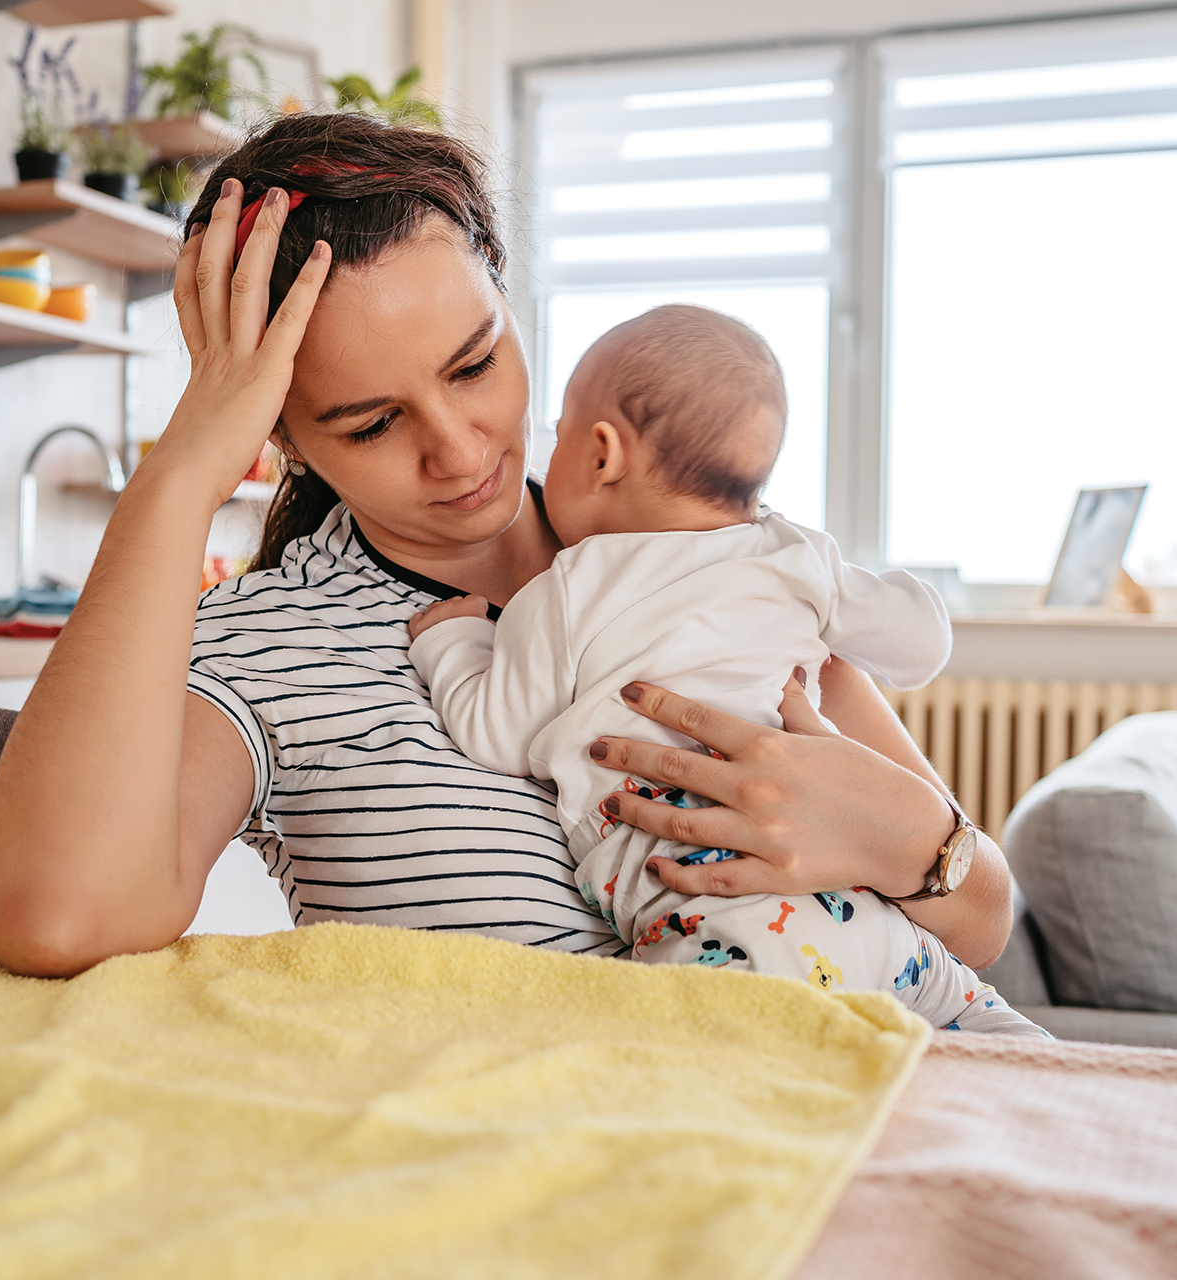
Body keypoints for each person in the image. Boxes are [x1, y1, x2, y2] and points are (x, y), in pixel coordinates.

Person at [0, 112, 1014, 982]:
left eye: (475, 363)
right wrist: (181, 472)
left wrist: (911, 840)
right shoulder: (273, 642)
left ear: (509, 299)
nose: (459, 447)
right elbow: (62, 917)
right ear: (281, 433)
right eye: (372, 422)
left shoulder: (688, 539)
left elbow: (985, 916)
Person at [405, 305, 1041, 1034]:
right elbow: (922, 646)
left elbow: (495, 731)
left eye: (562, 431)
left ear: (603, 454)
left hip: (731, 925)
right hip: (876, 920)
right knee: (1030, 1063)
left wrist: (451, 642)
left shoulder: (568, 588)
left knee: (710, 1074)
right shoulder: (794, 553)